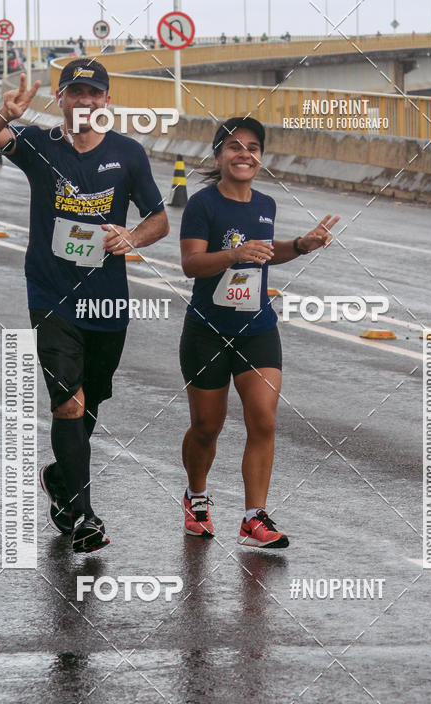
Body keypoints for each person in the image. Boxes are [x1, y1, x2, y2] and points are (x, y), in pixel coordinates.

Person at [0, 61, 169, 552]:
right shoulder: (39, 145)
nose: (85, 101)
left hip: (107, 299)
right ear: (61, 98)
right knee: (68, 403)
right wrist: (5, 113)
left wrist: (133, 236)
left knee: (90, 401)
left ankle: (59, 477)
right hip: (51, 295)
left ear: (105, 100)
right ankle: (84, 516)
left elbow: (159, 219)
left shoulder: (128, 154)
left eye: (93, 93)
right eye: (75, 93)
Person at [179, 117, 339, 548]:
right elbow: (191, 264)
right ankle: (196, 496)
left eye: (252, 147)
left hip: (257, 328)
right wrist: (233, 254)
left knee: (264, 419)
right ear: (219, 155)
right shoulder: (202, 205)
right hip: (208, 331)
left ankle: (254, 518)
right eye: (233, 146)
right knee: (206, 426)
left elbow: (268, 255)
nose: (244, 154)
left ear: (261, 157)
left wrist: (301, 245)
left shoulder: (266, 204)